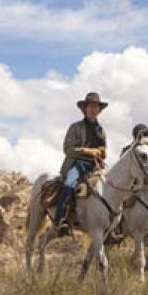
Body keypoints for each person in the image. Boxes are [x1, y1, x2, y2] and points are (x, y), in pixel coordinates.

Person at [53, 92, 109, 236]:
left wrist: (102, 154)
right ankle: (61, 219)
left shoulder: (101, 131)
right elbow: (68, 149)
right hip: (77, 164)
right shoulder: (75, 127)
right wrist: (86, 151)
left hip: (95, 166)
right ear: (84, 109)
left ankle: (112, 225)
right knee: (70, 182)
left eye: (96, 107)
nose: (93, 109)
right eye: (90, 106)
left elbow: (103, 151)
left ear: (99, 110)